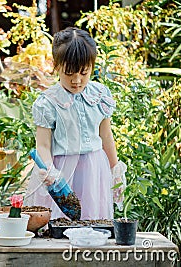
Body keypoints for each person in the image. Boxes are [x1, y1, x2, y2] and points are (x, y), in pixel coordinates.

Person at [25, 27, 126, 220]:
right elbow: (43, 145)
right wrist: (49, 171)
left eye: (84, 72)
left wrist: (115, 170)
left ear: (91, 66)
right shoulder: (48, 102)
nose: (77, 80)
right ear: (57, 66)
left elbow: (106, 136)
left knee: (92, 219)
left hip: (94, 169)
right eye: (69, 73)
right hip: (62, 171)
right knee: (61, 222)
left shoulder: (100, 95)